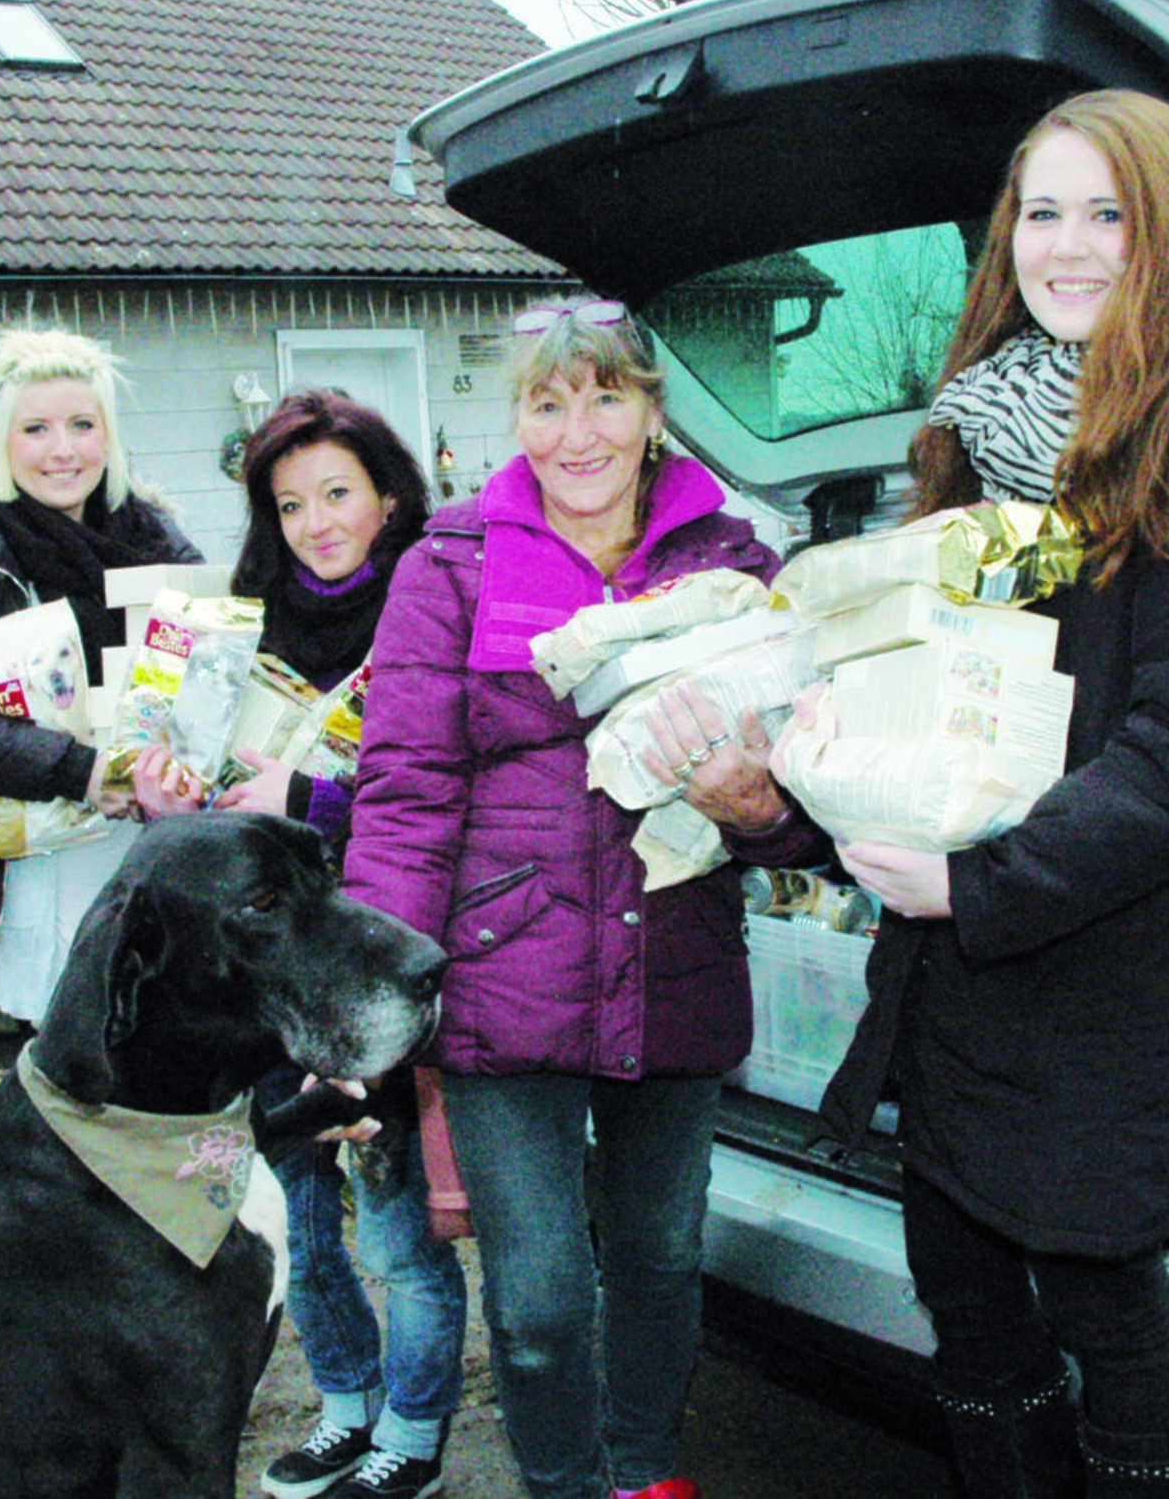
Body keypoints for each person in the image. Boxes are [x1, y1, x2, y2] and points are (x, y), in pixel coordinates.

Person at [811, 90, 1169, 1498]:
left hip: (1093, 969)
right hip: (956, 975)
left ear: (1168, 230)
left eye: (1108, 211)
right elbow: (948, 688)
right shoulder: (983, 436)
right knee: (962, 1294)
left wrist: (975, 880)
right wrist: (816, 743)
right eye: (1042, 211)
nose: (1070, 244)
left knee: (1104, 1301)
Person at [339, 297, 820, 1499]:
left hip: (673, 963)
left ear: (652, 413)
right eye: (546, 404)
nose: (577, 432)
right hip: (505, 975)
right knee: (543, 1296)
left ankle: (644, 1468)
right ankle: (561, 1483)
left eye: (606, 397)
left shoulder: (735, 566)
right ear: (513, 420)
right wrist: (364, 1005)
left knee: (660, 1254)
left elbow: (807, 795)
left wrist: (757, 805)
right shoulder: (449, 563)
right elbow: (403, 791)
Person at [212, 389, 468, 1499]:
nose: (316, 522)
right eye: (289, 505)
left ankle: (413, 1429)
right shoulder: (237, 630)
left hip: (381, 957)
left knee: (400, 1226)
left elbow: (447, 790)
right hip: (274, 975)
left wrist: (306, 796)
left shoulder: (437, 605)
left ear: (389, 497)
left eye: (336, 494)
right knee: (301, 1221)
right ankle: (345, 1404)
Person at [0, 326, 202, 1023]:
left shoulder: (156, 538)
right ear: (3, 441)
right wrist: (85, 773)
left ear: (109, 436)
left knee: (159, 1032)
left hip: (151, 840)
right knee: (65, 1036)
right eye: (35, 428)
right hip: (38, 846)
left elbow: (216, 666)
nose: (62, 450)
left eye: (81, 425)